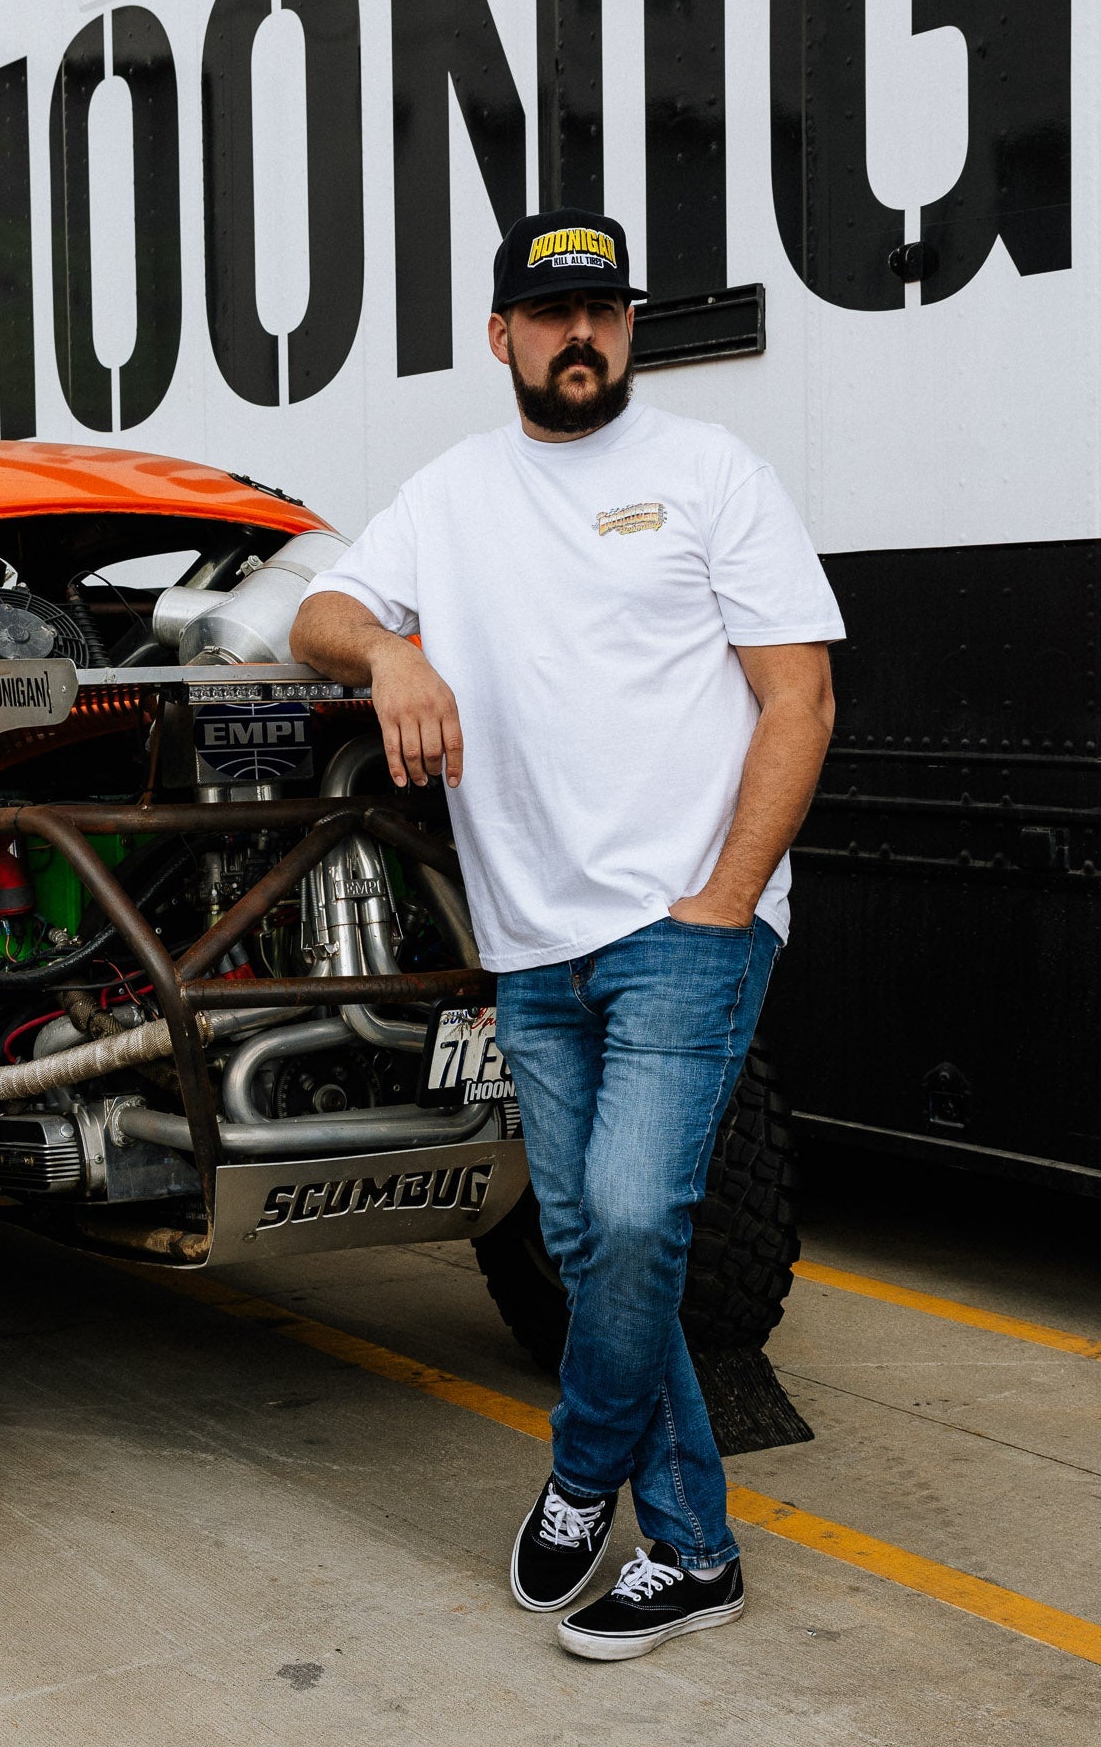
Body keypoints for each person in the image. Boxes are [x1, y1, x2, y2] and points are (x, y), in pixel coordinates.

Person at [288, 208, 841, 1660]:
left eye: (603, 314)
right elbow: (318, 616)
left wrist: (725, 899)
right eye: (549, 314)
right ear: (503, 336)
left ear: (628, 329)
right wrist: (393, 648)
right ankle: (700, 1554)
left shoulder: (711, 473)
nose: (580, 336)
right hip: (533, 944)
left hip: (684, 922)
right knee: (593, 1235)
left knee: (645, 1218)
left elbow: (801, 700)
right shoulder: (453, 492)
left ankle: (584, 1474)